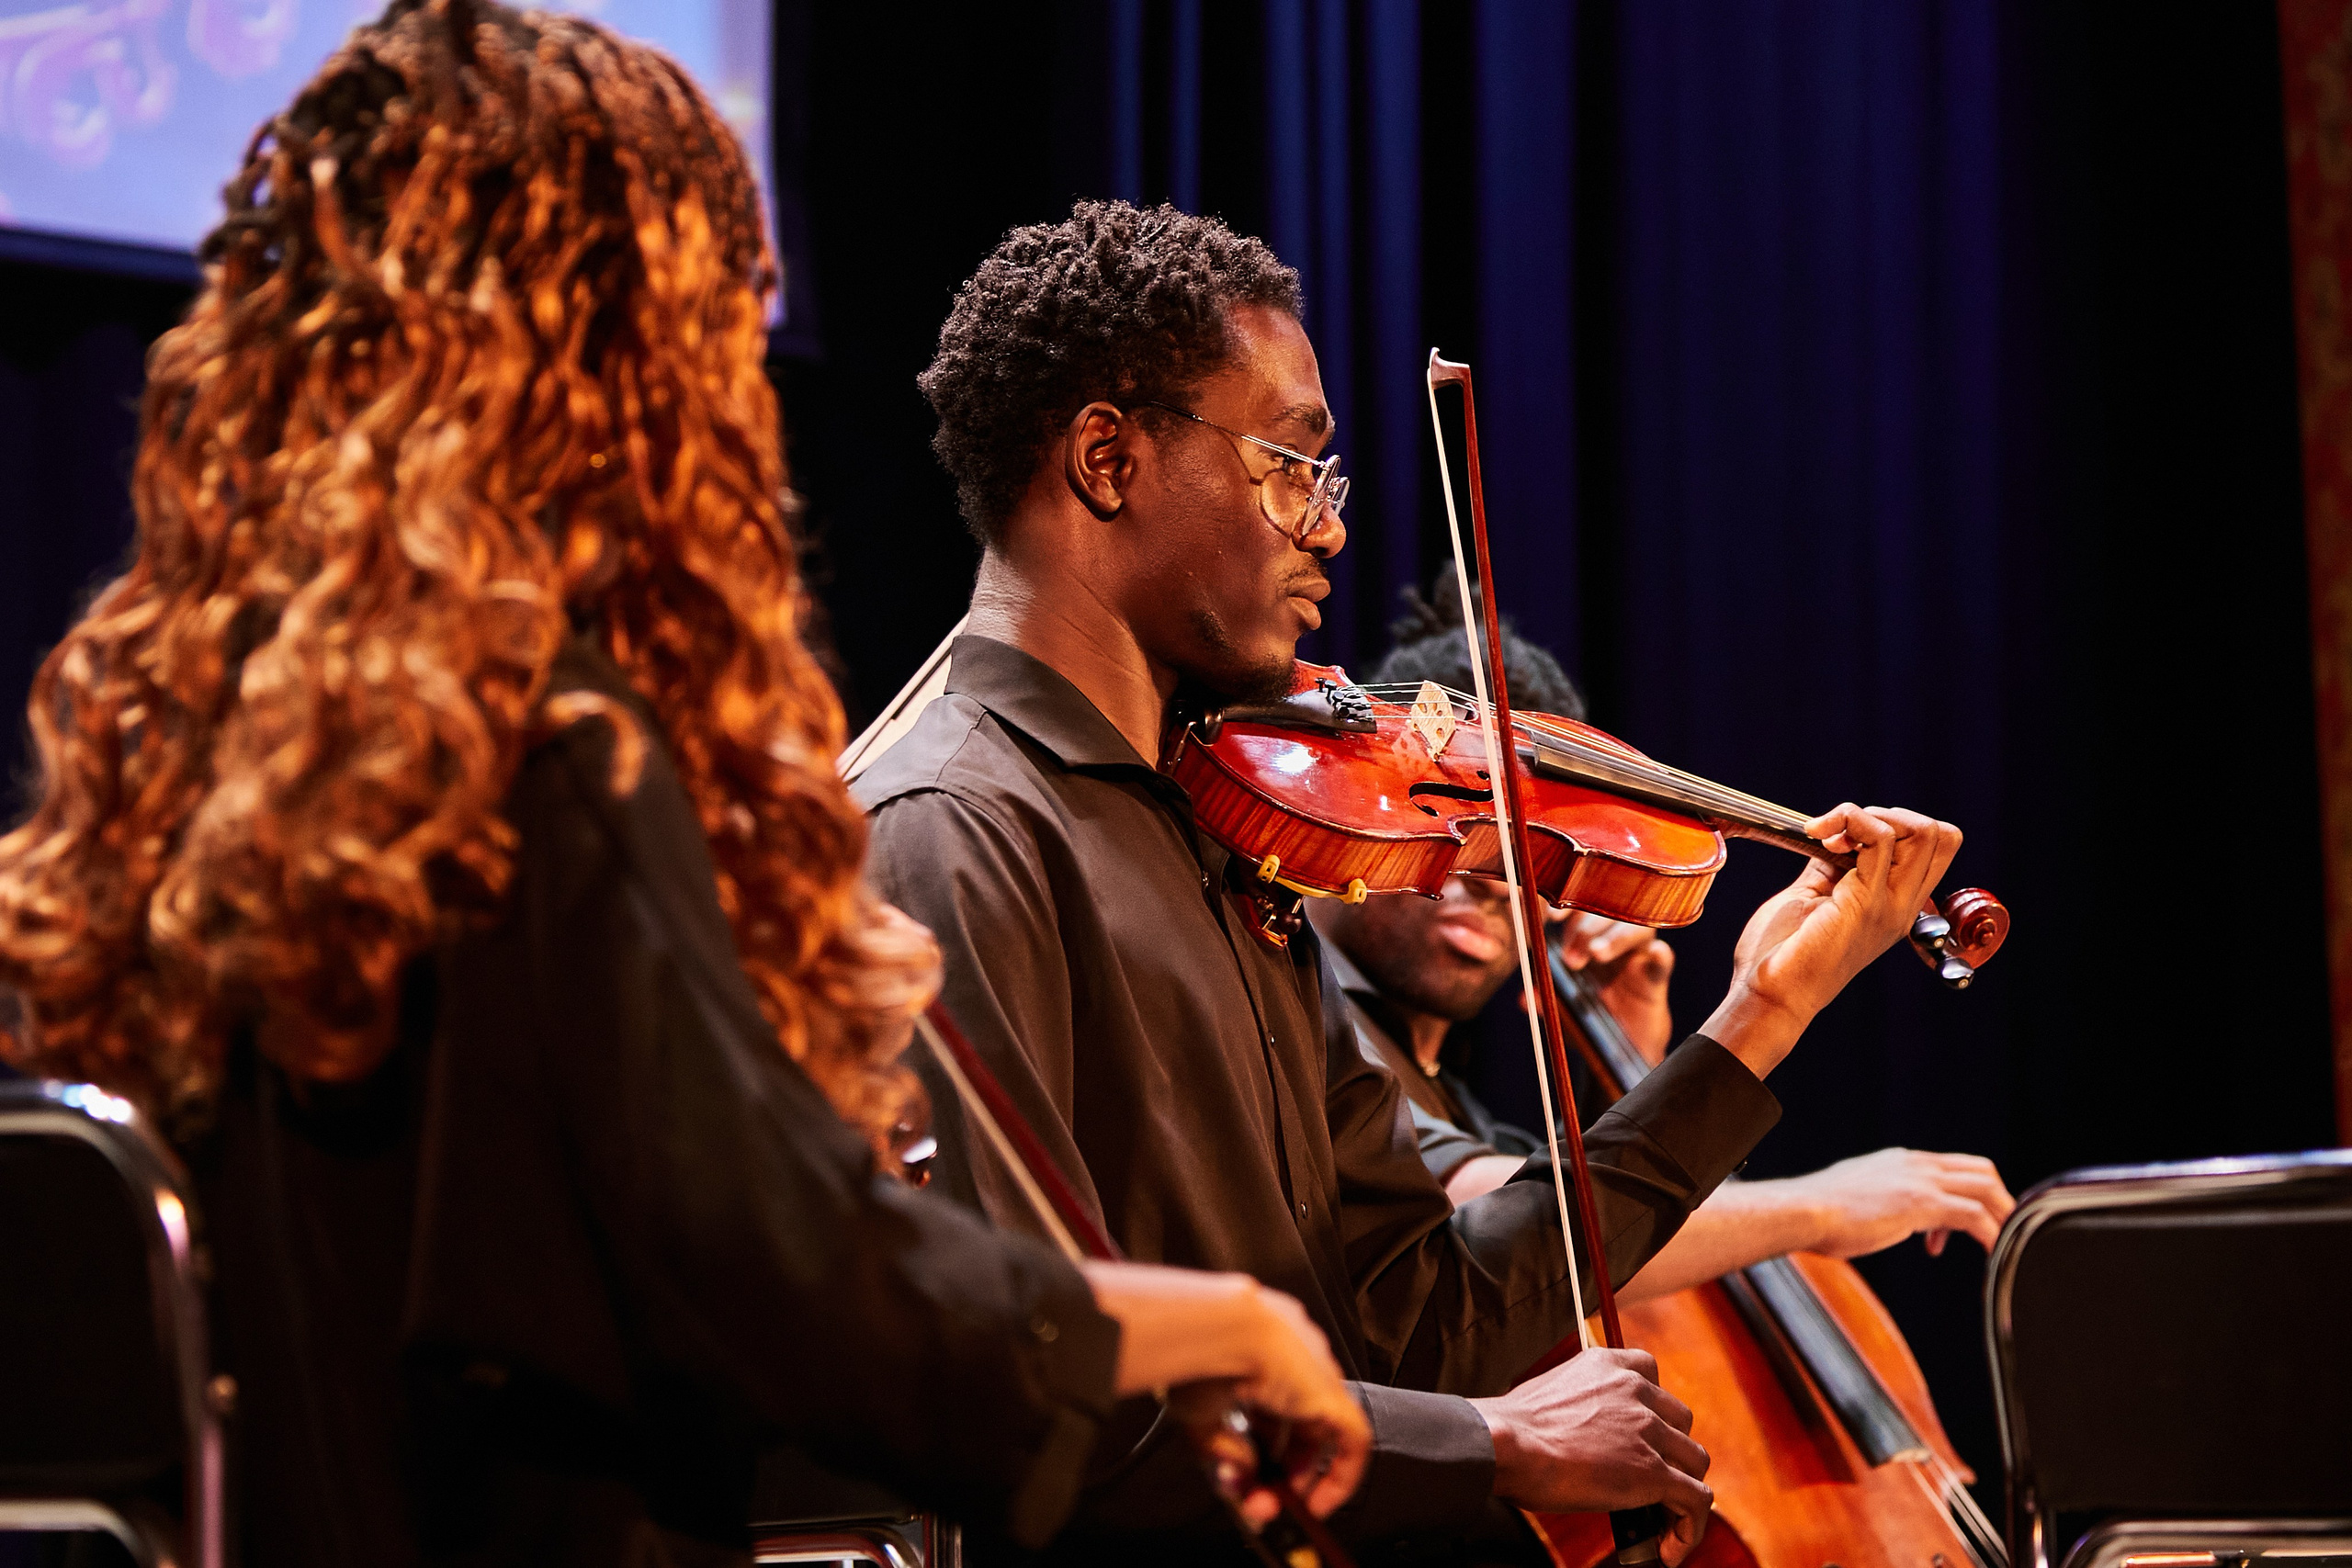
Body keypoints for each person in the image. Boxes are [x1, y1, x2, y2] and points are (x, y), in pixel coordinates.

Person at [0, 12, 1364, 1566]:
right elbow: (803, 1281)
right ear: (627, 348)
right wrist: (1219, 1327)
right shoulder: (541, 755)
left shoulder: (200, 751)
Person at [855, 200, 1964, 1565]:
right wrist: (1496, 1442)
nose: (1326, 527)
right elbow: (1035, 1394)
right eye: (1291, 464)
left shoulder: (1220, 832)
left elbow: (1421, 1309)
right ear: (1107, 458)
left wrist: (1759, 1021)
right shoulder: (953, 830)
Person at [1314, 581, 2014, 1302]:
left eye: (1526, 846)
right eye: (1455, 812)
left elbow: (1551, 1253)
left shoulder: (1442, 1089)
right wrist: (1824, 1206)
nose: (1496, 876)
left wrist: (1634, 1068)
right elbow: (1470, 1223)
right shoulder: (1300, 1002)